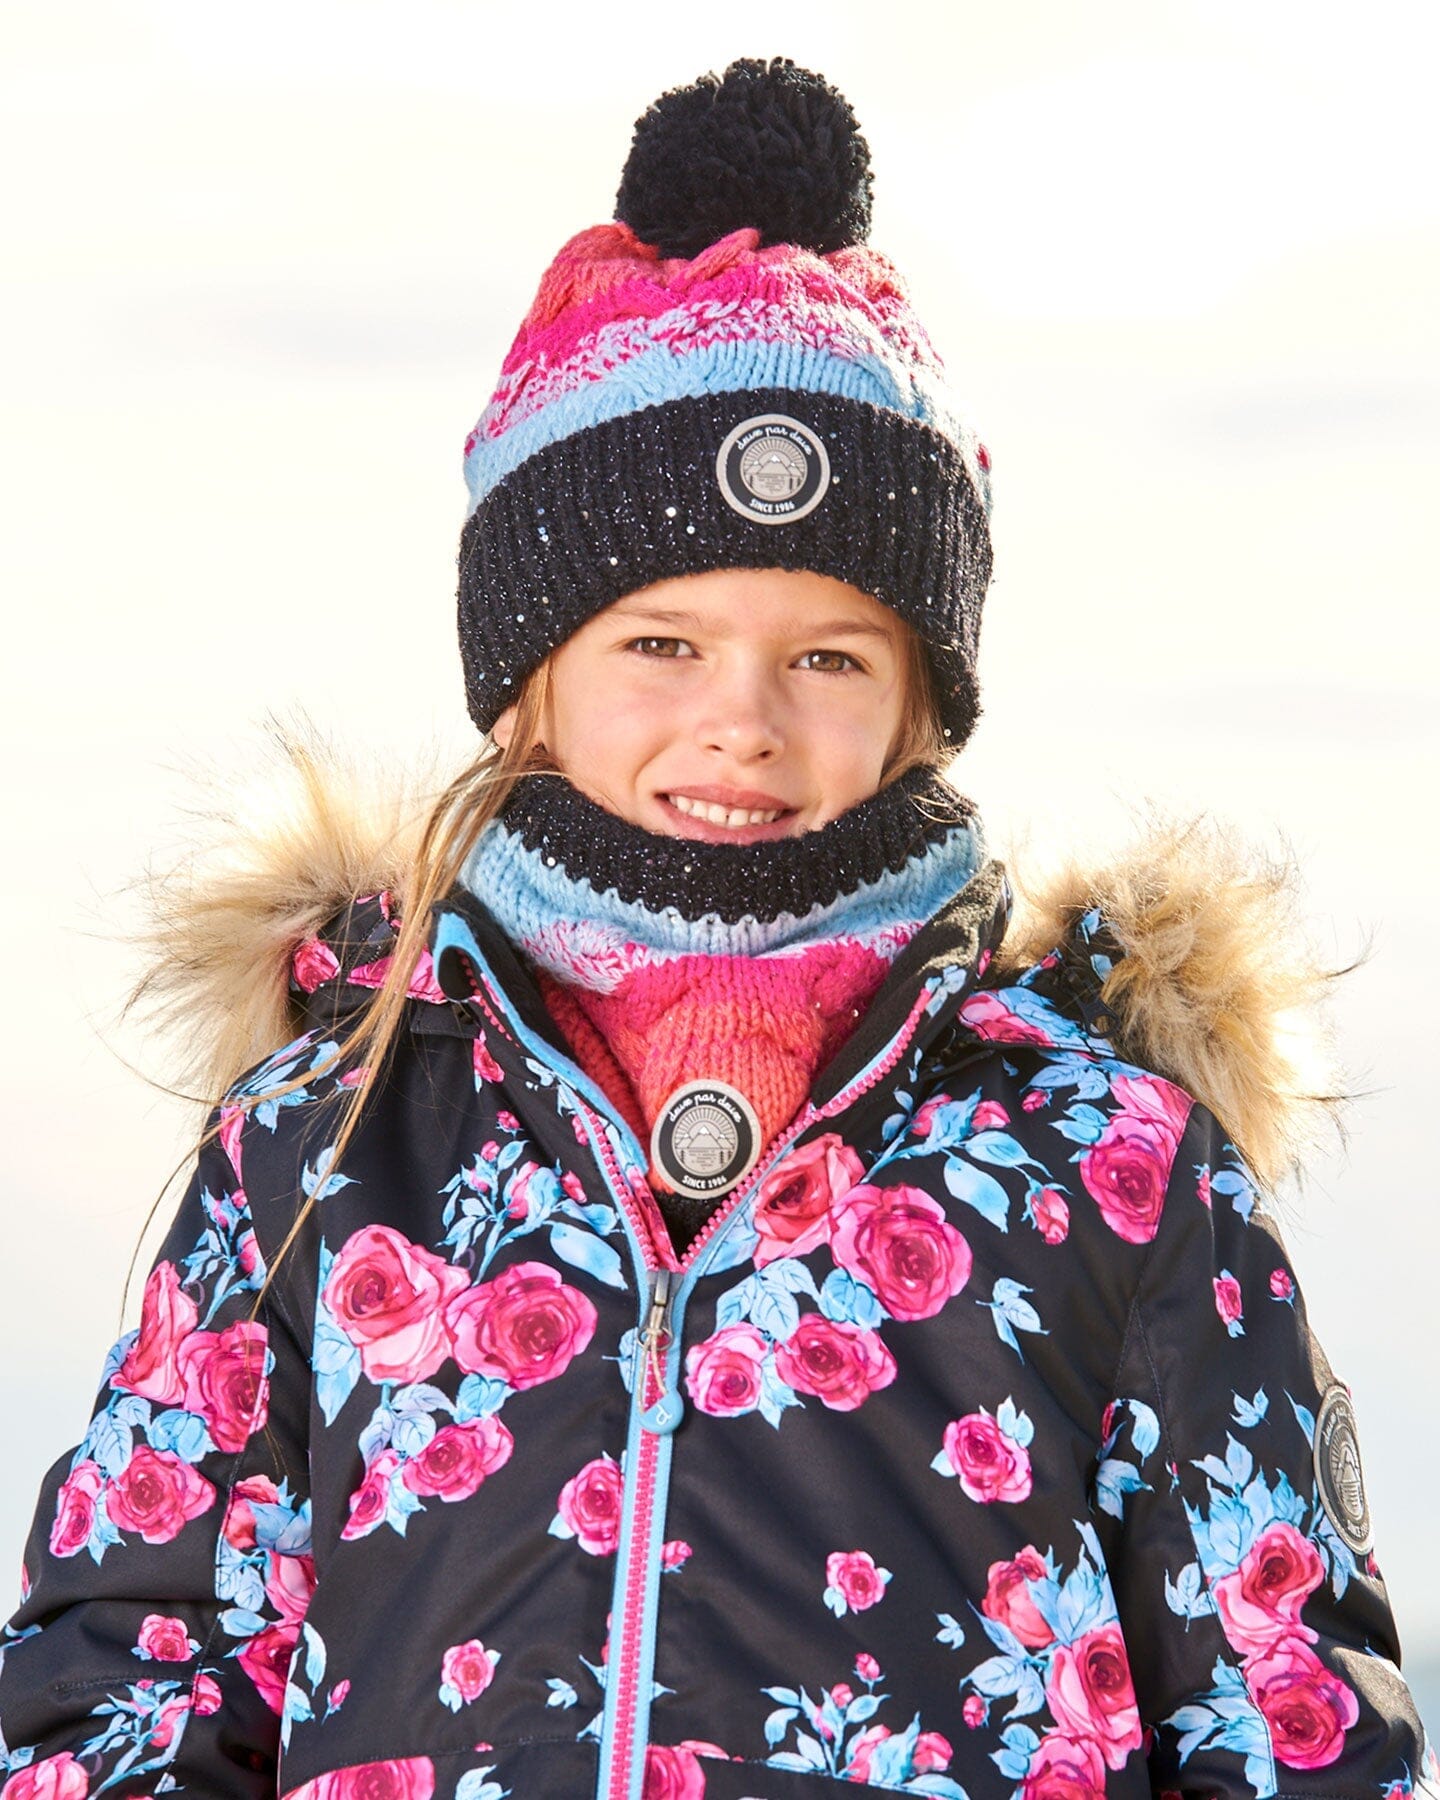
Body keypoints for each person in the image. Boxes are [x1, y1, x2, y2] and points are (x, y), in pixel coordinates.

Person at [0, 56, 1433, 1800]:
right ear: (530, 681)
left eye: (826, 656)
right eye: (660, 644)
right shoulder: (330, 1141)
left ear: (920, 706)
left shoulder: (1109, 1167)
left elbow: (1290, 1723)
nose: (740, 721)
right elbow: (136, 1672)